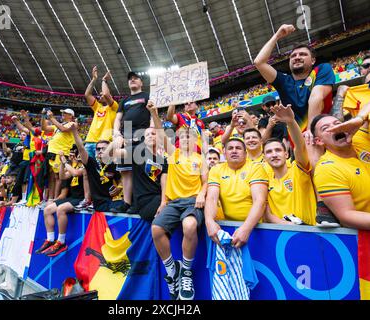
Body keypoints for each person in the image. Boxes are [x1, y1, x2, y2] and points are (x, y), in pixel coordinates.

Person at [149, 101, 207, 301]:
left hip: (193, 202)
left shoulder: (201, 160)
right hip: (174, 203)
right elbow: (159, 129)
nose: (184, 140)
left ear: (194, 141)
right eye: (181, 137)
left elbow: (206, 182)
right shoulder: (172, 155)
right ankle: (172, 269)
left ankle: (186, 273)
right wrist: (154, 113)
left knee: (189, 225)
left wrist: (201, 194)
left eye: (188, 137)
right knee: (156, 229)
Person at [254, 24, 335, 135]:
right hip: (298, 140)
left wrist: (311, 132)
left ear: (312, 60)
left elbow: (316, 98)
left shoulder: (321, 69)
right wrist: (277, 36)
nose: (297, 57)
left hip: (323, 132)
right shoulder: (283, 81)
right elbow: (259, 62)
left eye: (303, 54)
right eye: (293, 56)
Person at [311, 104, 370, 229]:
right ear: (319, 141)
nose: (335, 128)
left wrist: (358, 120)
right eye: (326, 128)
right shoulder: (327, 168)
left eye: (337, 123)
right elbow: (347, 216)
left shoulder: (359, 138)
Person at [205, 138, 268, 249]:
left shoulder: (256, 167)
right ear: (224, 153)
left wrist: (246, 228)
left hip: (256, 228)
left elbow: (259, 201)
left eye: (238, 148)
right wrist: (209, 221)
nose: (234, 151)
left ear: (245, 153)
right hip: (229, 228)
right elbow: (211, 198)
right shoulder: (216, 169)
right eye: (230, 148)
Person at [263, 104, 316, 226]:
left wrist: (291, 122)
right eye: (269, 152)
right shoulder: (265, 180)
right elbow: (267, 214)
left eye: (278, 150)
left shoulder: (298, 170)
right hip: (280, 237)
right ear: (265, 158)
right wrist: (286, 225)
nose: (274, 154)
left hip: (309, 233)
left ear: (286, 154)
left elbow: (300, 146)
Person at [112, 72, 151, 213]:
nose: (132, 80)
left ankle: (138, 202)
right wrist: (116, 133)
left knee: (139, 171)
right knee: (126, 171)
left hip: (142, 132)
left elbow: (153, 113)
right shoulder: (124, 101)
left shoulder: (147, 96)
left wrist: (151, 130)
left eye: (135, 78)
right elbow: (117, 119)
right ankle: (126, 202)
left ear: (141, 83)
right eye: (130, 79)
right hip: (126, 133)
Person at [112, 125, 168, 222]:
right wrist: (116, 142)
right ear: (144, 140)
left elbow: (164, 185)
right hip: (143, 201)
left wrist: (164, 202)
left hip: (157, 199)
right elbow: (114, 153)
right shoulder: (137, 152)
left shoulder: (164, 161)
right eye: (147, 135)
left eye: (153, 134)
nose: (150, 136)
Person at [35, 150, 85, 257]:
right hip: (71, 198)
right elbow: (62, 176)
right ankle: (50, 239)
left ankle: (61, 242)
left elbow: (76, 173)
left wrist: (66, 162)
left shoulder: (85, 165)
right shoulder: (73, 166)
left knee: (61, 209)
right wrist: (63, 163)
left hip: (81, 198)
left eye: (74, 155)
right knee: (47, 209)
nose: (72, 157)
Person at [71, 124, 124, 212]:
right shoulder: (91, 163)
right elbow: (81, 148)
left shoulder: (115, 163)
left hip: (115, 201)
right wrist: (74, 131)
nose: (100, 151)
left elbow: (124, 178)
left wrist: (120, 187)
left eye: (103, 148)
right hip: (99, 203)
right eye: (98, 149)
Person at [42, 108, 76, 200]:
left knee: (58, 176)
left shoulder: (72, 124)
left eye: (65, 113)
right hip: (52, 152)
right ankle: (50, 198)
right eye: (63, 113)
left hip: (61, 153)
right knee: (51, 176)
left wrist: (52, 118)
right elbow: (44, 128)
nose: (63, 114)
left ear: (71, 116)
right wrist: (43, 116)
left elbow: (63, 129)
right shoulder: (58, 125)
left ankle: (56, 198)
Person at [84, 66, 119, 158]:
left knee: (101, 169)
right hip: (89, 141)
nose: (100, 96)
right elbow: (87, 94)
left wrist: (104, 80)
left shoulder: (114, 107)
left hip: (103, 143)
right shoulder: (97, 107)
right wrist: (94, 79)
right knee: (88, 169)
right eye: (99, 95)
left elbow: (106, 94)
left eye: (101, 95)